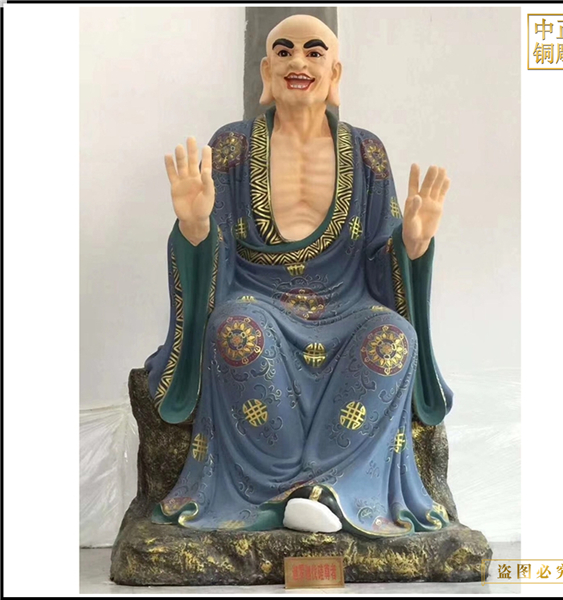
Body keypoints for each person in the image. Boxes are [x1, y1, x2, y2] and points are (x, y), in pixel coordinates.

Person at [145, 14, 453, 537]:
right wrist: (195, 225)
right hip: (258, 300)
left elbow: (379, 264)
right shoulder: (233, 146)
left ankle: (330, 488)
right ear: (267, 71)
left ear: (335, 74)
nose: (299, 62)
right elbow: (218, 255)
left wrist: (413, 244)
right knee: (235, 331)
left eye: (314, 52)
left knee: (395, 336)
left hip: (348, 306)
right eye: (284, 51)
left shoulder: (367, 152)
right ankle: (281, 489)